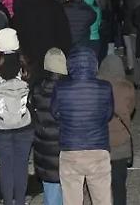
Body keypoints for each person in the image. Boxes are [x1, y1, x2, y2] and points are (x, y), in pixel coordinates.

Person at [51, 46, 114, 205]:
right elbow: (108, 114)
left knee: (71, 200)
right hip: (98, 148)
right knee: (103, 199)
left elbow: (55, 113)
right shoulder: (105, 87)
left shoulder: (60, 87)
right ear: (94, 64)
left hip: (70, 149)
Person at [0, 28, 35, 205]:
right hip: (25, 125)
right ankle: (19, 201)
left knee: (5, 165)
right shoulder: (26, 67)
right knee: (21, 165)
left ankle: (7, 202)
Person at [96, 54, 136, 205]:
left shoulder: (97, 87)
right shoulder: (127, 87)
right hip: (120, 141)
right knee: (119, 183)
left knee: (99, 182)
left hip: (100, 141)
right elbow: (131, 108)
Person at [32, 48, 69, 205]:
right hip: (65, 148)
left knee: (51, 191)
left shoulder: (37, 89)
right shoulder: (68, 90)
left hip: (44, 149)